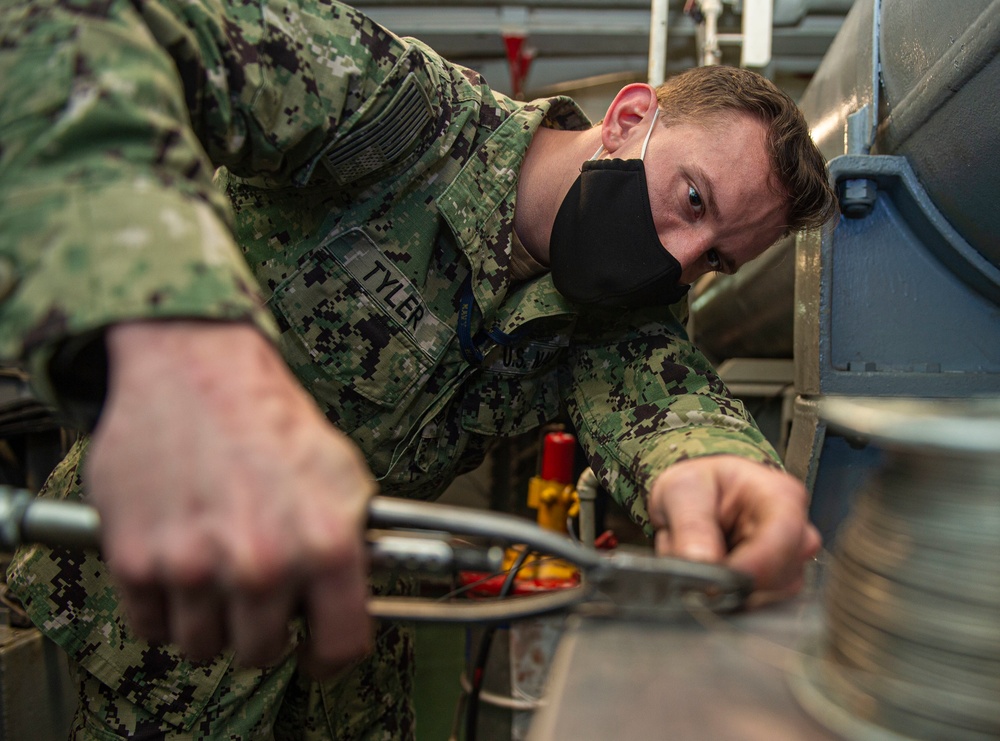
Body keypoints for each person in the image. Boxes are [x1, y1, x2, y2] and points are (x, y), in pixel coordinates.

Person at [0, 0, 836, 737]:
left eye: (717, 258)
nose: (682, 259)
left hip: (344, 652)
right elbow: (87, 23)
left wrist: (724, 472)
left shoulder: (623, 314)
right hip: (155, 616)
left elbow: (670, 400)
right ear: (627, 117)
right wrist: (176, 337)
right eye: (693, 201)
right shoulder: (396, 113)